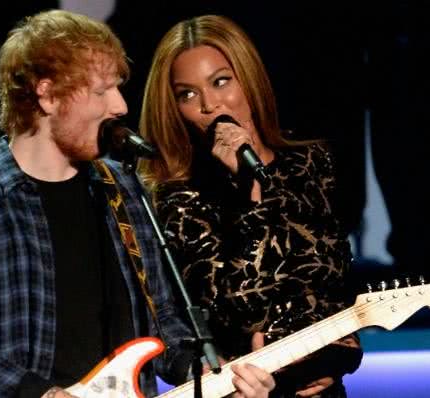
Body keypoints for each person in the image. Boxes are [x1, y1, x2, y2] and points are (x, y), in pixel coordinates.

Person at [0, 10, 274, 398]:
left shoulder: (123, 188)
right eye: (102, 91)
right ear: (48, 94)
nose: (121, 105)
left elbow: (163, 326)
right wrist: (44, 394)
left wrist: (211, 375)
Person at [138, 15, 362, 397]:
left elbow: (335, 292)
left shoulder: (310, 163)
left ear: (248, 78)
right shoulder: (180, 197)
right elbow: (246, 308)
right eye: (187, 94)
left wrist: (336, 361)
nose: (209, 104)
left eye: (221, 81)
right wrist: (251, 193)